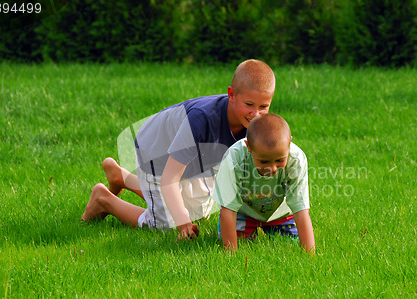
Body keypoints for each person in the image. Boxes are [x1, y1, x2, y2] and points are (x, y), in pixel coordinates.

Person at [81, 59, 276, 240]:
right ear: (231, 94)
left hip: (196, 160)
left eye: (263, 106)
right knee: (168, 225)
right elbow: (169, 179)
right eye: (249, 104)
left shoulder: (255, 125)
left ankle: (121, 177)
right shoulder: (201, 119)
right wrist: (182, 222)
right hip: (157, 154)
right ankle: (104, 199)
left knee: (199, 216)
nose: (256, 114)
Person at [212, 114, 315, 253]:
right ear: (248, 146)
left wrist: (310, 254)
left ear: (289, 144)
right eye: (264, 162)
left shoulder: (296, 159)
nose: (272, 168)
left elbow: (301, 210)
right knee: (234, 239)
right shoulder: (234, 158)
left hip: (280, 214)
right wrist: (231, 254)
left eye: (279, 160)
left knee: (289, 243)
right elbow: (228, 210)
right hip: (243, 213)